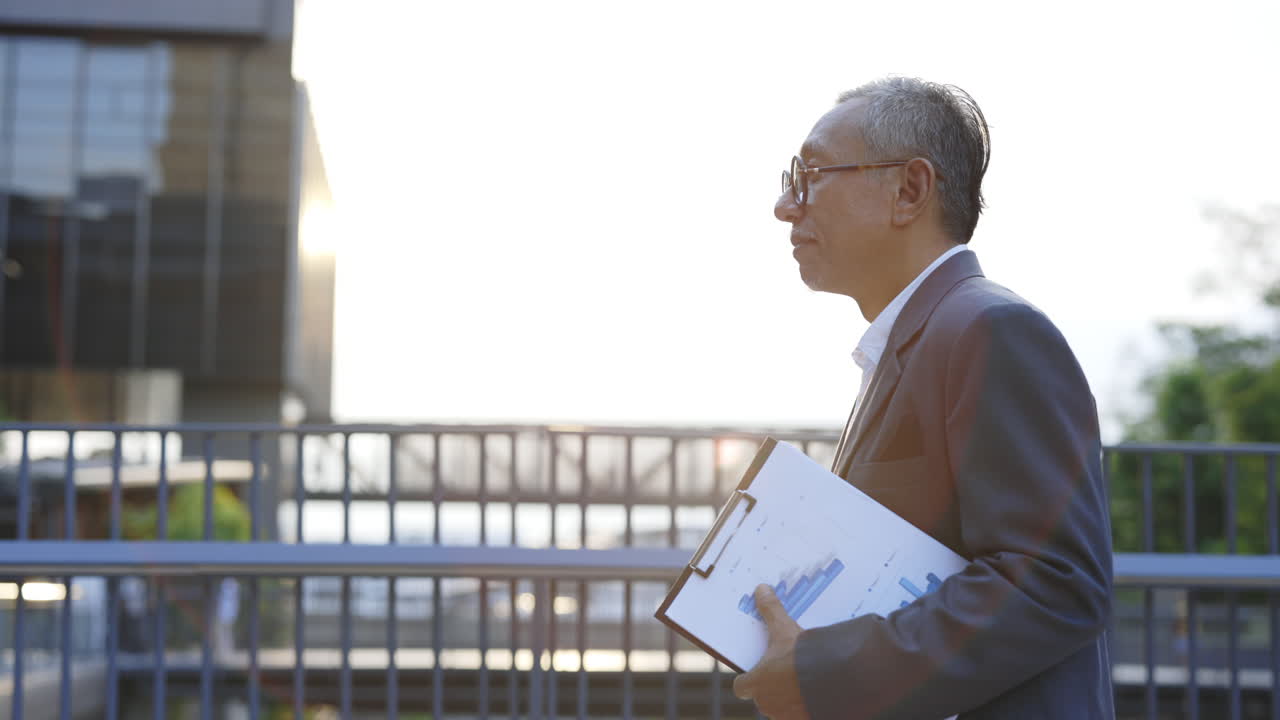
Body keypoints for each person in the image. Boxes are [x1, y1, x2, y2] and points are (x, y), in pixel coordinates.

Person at [731, 77, 1114, 719]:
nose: (784, 205)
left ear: (909, 190)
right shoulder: (930, 336)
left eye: (810, 173)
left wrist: (822, 670)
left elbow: (1055, 583)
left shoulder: (990, 329)